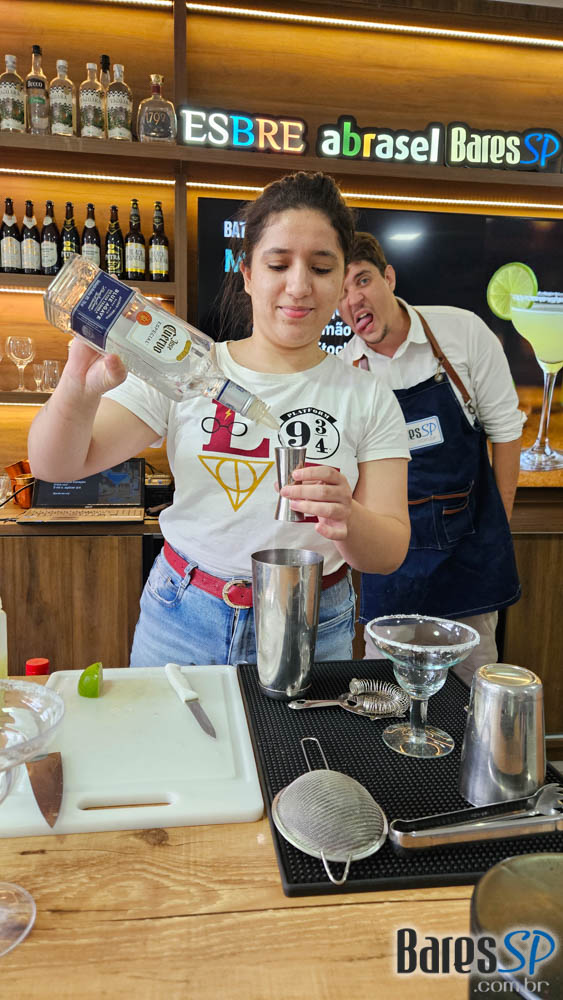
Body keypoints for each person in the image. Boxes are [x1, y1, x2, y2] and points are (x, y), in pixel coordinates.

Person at [28, 174, 411, 668]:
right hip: (182, 615)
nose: (298, 286)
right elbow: (55, 465)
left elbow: (389, 551)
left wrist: (348, 518)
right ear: (247, 273)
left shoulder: (368, 395)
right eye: (278, 264)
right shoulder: (182, 364)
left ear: (340, 281)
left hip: (310, 621)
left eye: (320, 268)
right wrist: (77, 391)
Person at [337, 231, 524, 683]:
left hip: (467, 558)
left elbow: (506, 431)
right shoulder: (344, 374)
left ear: (389, 277)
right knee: (386, 692)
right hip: (392, 567)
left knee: (475, 687)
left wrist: (494, 529)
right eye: (340, 292)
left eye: (362, 280)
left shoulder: (463, 333)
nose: (353, 300)